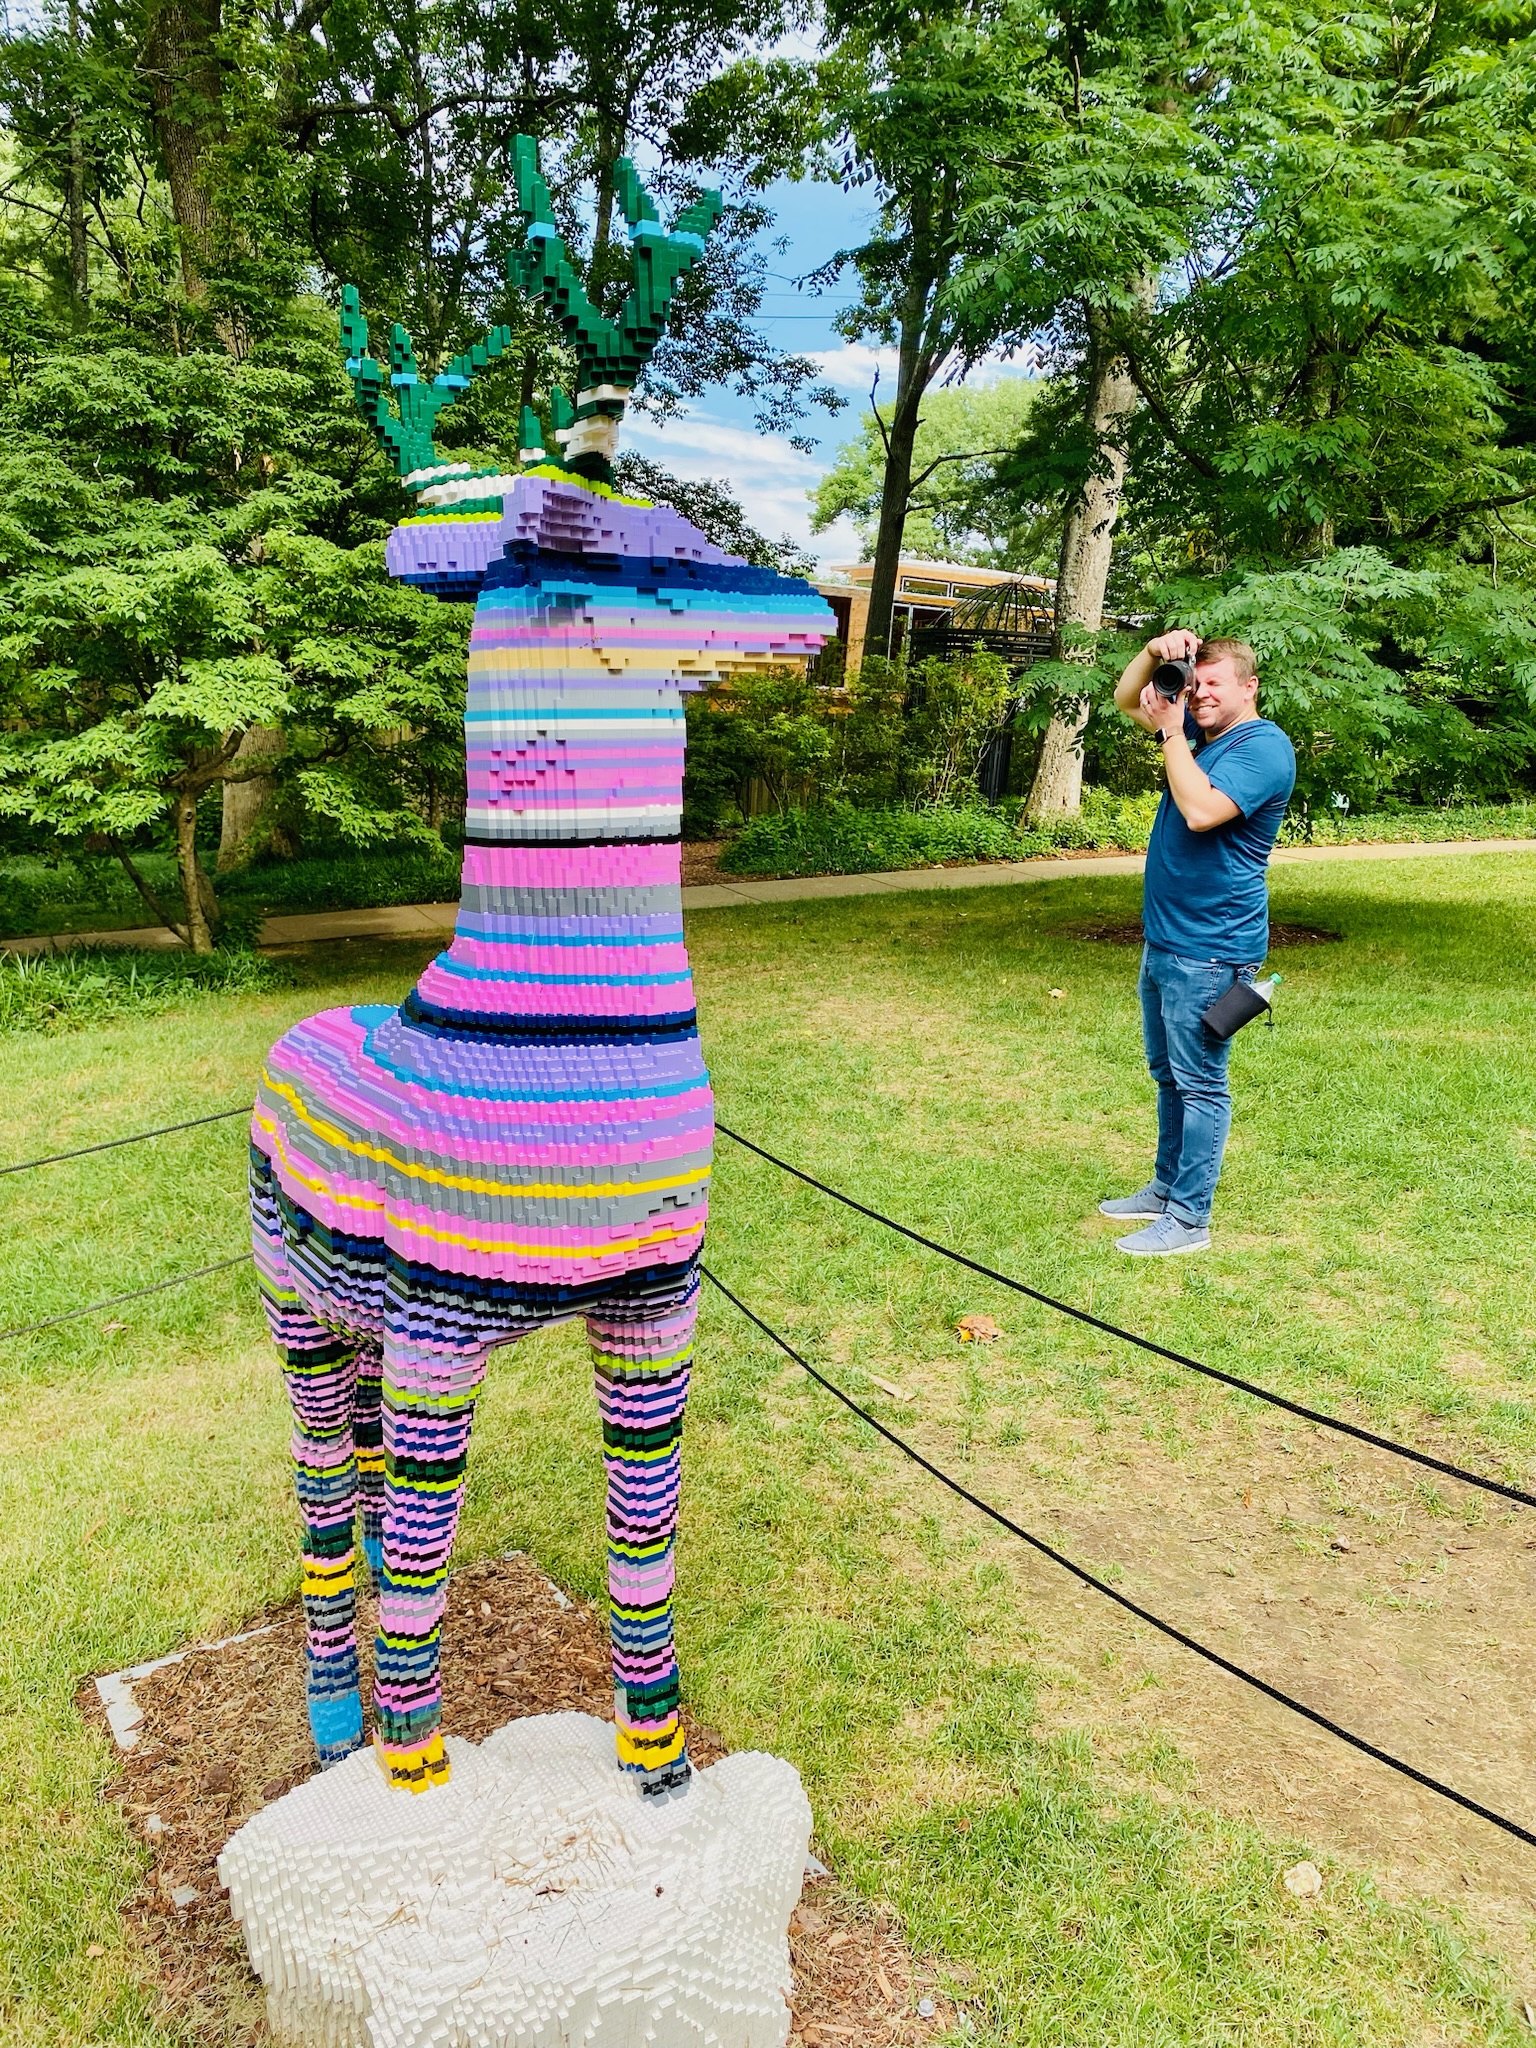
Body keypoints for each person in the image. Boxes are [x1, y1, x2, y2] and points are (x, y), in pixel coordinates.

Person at [1097, 630, 1295, 1256]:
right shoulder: (1198, 738)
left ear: (1249, 687)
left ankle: (1189, 1220)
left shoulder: (1264, 747)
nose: (1200, 693)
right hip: (1167, 940)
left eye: (1214, 683)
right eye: (1194, 682)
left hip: (1212, 948)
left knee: (1201, 1082)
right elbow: (1126, 699)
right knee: (1169, 1075)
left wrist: (1171, 731)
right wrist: (1154, 654)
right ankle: (1165, 1188)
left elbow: (1202, 812)